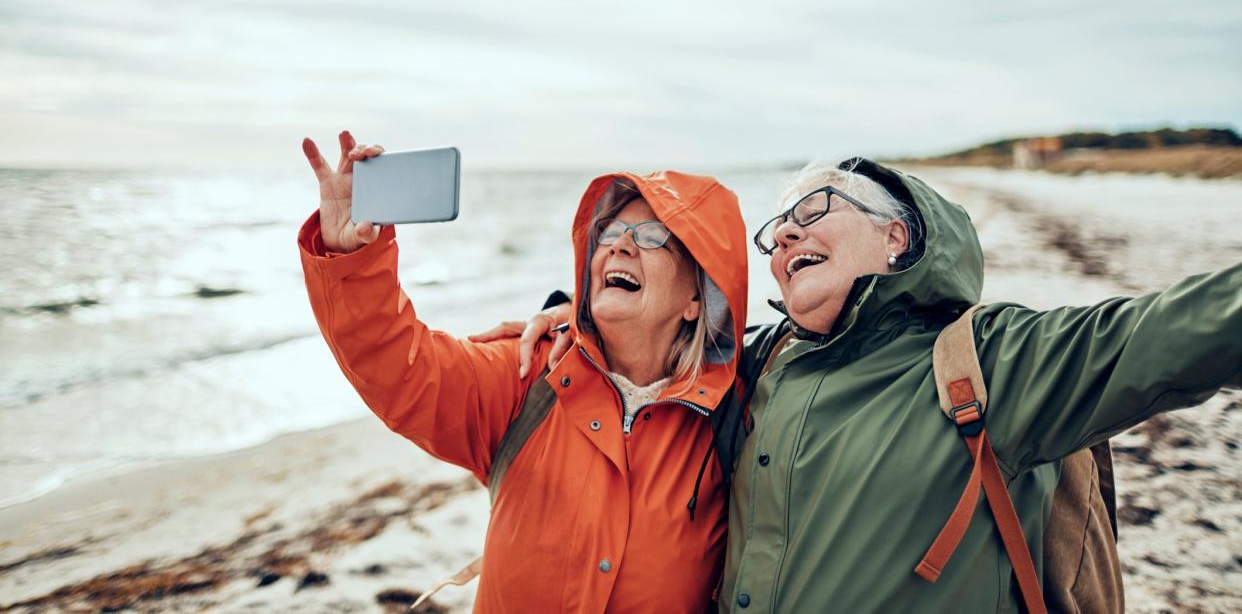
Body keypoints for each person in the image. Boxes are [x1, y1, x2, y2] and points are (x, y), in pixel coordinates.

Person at [494, 156, 1241, 612]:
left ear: (899, 235)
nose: (785, 233)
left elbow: (1169, 336)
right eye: (779, 225)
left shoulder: (995, 360)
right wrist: (575, 320)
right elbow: (658, 350)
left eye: (817, 207)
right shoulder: (761, 364)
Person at [297, 131, 748, 613]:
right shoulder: (529, 375)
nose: (620, 248)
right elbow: (402, 369)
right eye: (611, 234)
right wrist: (350, 259)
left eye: (653, 236)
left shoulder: (735, 419)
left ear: (700, 298)